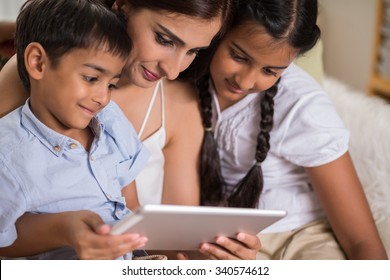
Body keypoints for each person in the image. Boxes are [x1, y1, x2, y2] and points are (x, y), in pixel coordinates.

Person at [0, 0, 261, 260]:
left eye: (193, 51)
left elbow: (137, 221)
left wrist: (211, 256)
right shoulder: (23, 106)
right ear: (122, 6)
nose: (172, 71)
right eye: (164, 39)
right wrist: (64, 228)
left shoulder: (115, 121)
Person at [194, 0, 388, 259]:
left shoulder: (303, 107)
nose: (246, 81)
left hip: (303, 235)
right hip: (232, 238)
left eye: (270, 71)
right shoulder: (186, 71)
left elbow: (361, 238)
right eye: (239, 56)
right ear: (221, 27)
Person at [0, 0, 150, 259]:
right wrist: (64, 229)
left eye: (111, 84)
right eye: (91, 78)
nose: (103, 97)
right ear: (37, 63)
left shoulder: (111, 119)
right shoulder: (8, 154)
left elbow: (133, 208)